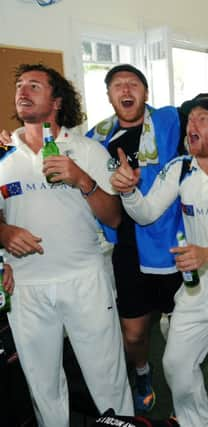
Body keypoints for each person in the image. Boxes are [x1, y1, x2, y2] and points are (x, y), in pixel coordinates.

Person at [86, 31, 208, 413]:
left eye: (133, 84)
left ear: (145, 94)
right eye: (117, 86)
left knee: (191, 323)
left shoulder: (168, 122)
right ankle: (143, 369)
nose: (125, 90)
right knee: (134, 333)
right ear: (110, 96)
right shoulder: (95, 139)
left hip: (178, 242)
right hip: (129, 244)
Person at [110, 93, 208, 427]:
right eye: (190, 120)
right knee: (176, 363)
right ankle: (195, 421)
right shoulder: (181, 168)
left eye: (202, 119)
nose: (191, 127)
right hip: (198, 286)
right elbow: (146, 213)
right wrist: (128, 192)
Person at [0, 63, 133, 426]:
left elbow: (115, 218)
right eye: (20, 85)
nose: (23, 91)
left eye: (35, 86)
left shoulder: (87, 149)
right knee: (43, 385)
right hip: (27, 289)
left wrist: (81, 179)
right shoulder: (3, 153)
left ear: (57, 102)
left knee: (108, 379)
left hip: (85, 279)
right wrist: (4, 234)